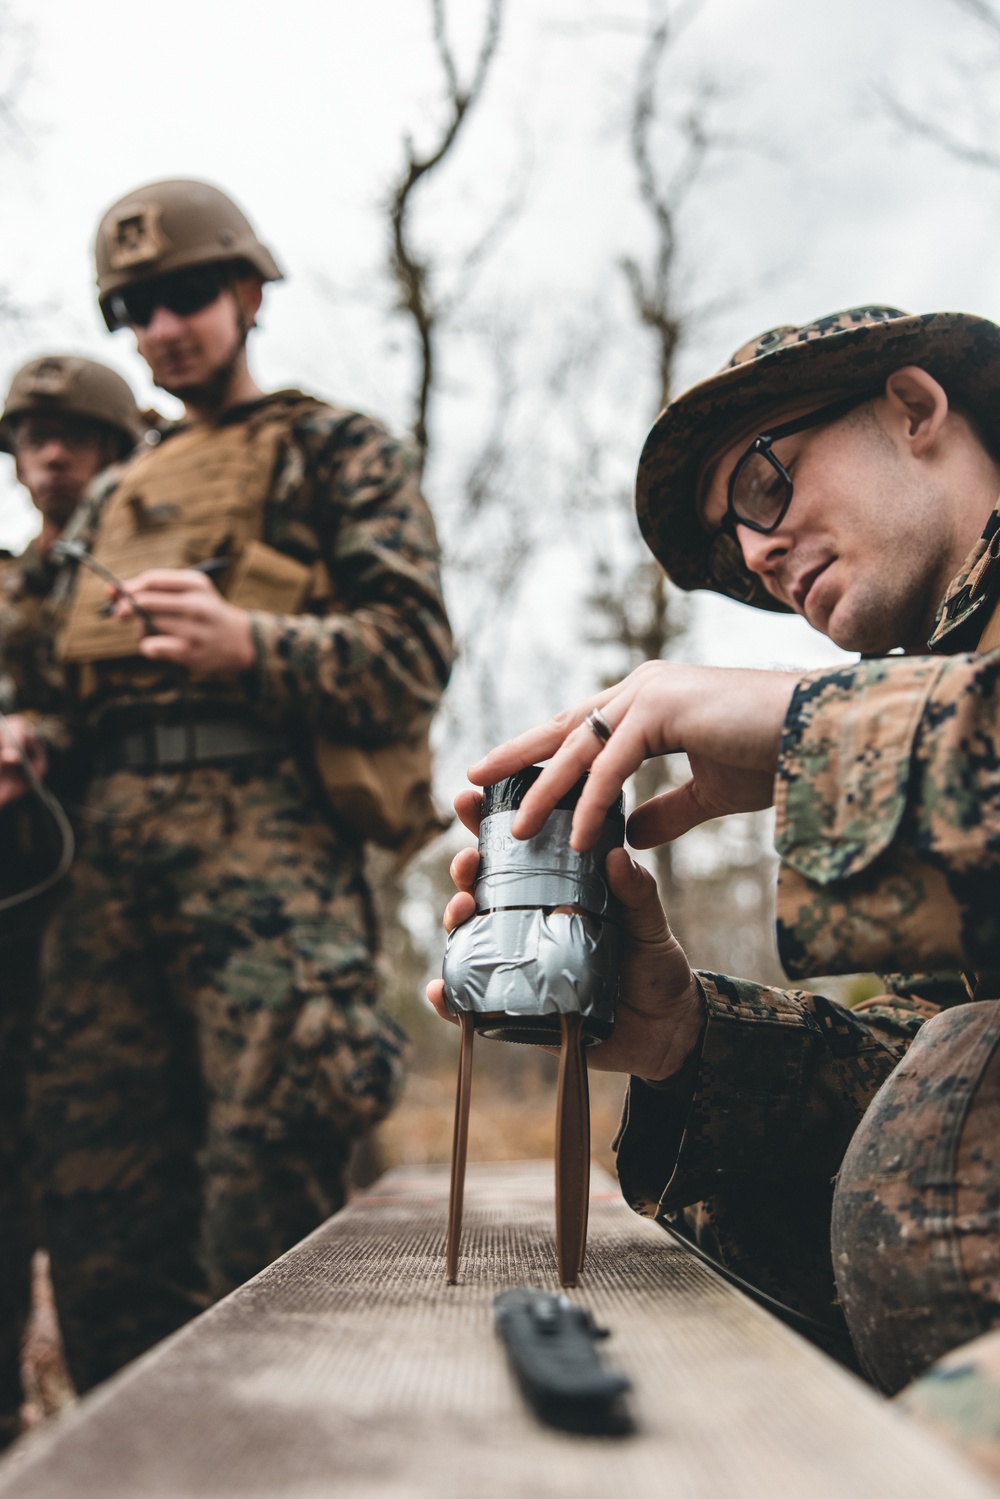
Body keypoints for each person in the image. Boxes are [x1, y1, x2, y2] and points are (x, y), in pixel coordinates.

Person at [427, 306, 1000, 1465]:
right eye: (733, 543)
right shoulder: (946, 676)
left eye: (762, 484)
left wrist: (806, 723)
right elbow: (943, 1079)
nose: (754, 552)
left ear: (912, 409)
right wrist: (688, 1038)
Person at [0, 179, 453, 1395]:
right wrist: (27, 735)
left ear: (249, 293)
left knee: (273, 1216)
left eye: (187, 294)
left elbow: (411, 656)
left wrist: (250, 645)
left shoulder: (334, 448)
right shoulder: (99, 503)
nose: (162, 326)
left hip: (274, 872)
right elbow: (43, 679)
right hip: (102, 886)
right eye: (134, 307)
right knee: (100, 1223)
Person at [0, 354, 145, 1444]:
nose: (50, 454)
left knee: (117, 1180)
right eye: (31, 436)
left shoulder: (141, 564)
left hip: (118, 915)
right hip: (18, 921)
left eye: (74, 433)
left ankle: (124, 1425)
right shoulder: (12, 582)